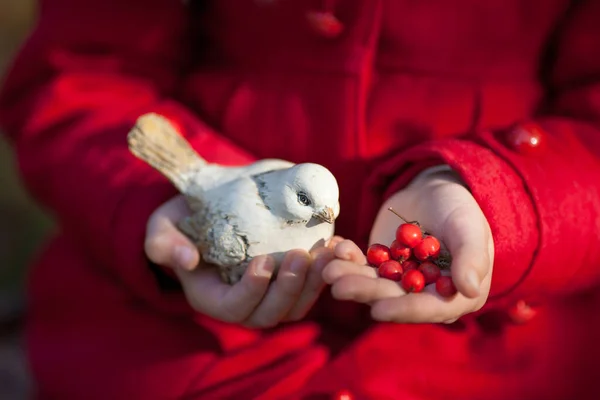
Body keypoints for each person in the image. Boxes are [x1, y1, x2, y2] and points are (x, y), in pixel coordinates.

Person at [1, 0, 599, 399]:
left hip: (508, 363)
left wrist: (502, 203)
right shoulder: (244, 225)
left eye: (325, 213)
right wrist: (152, 208)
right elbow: (81, 75)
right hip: (167, 353)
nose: (328, 224)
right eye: (316, 213)